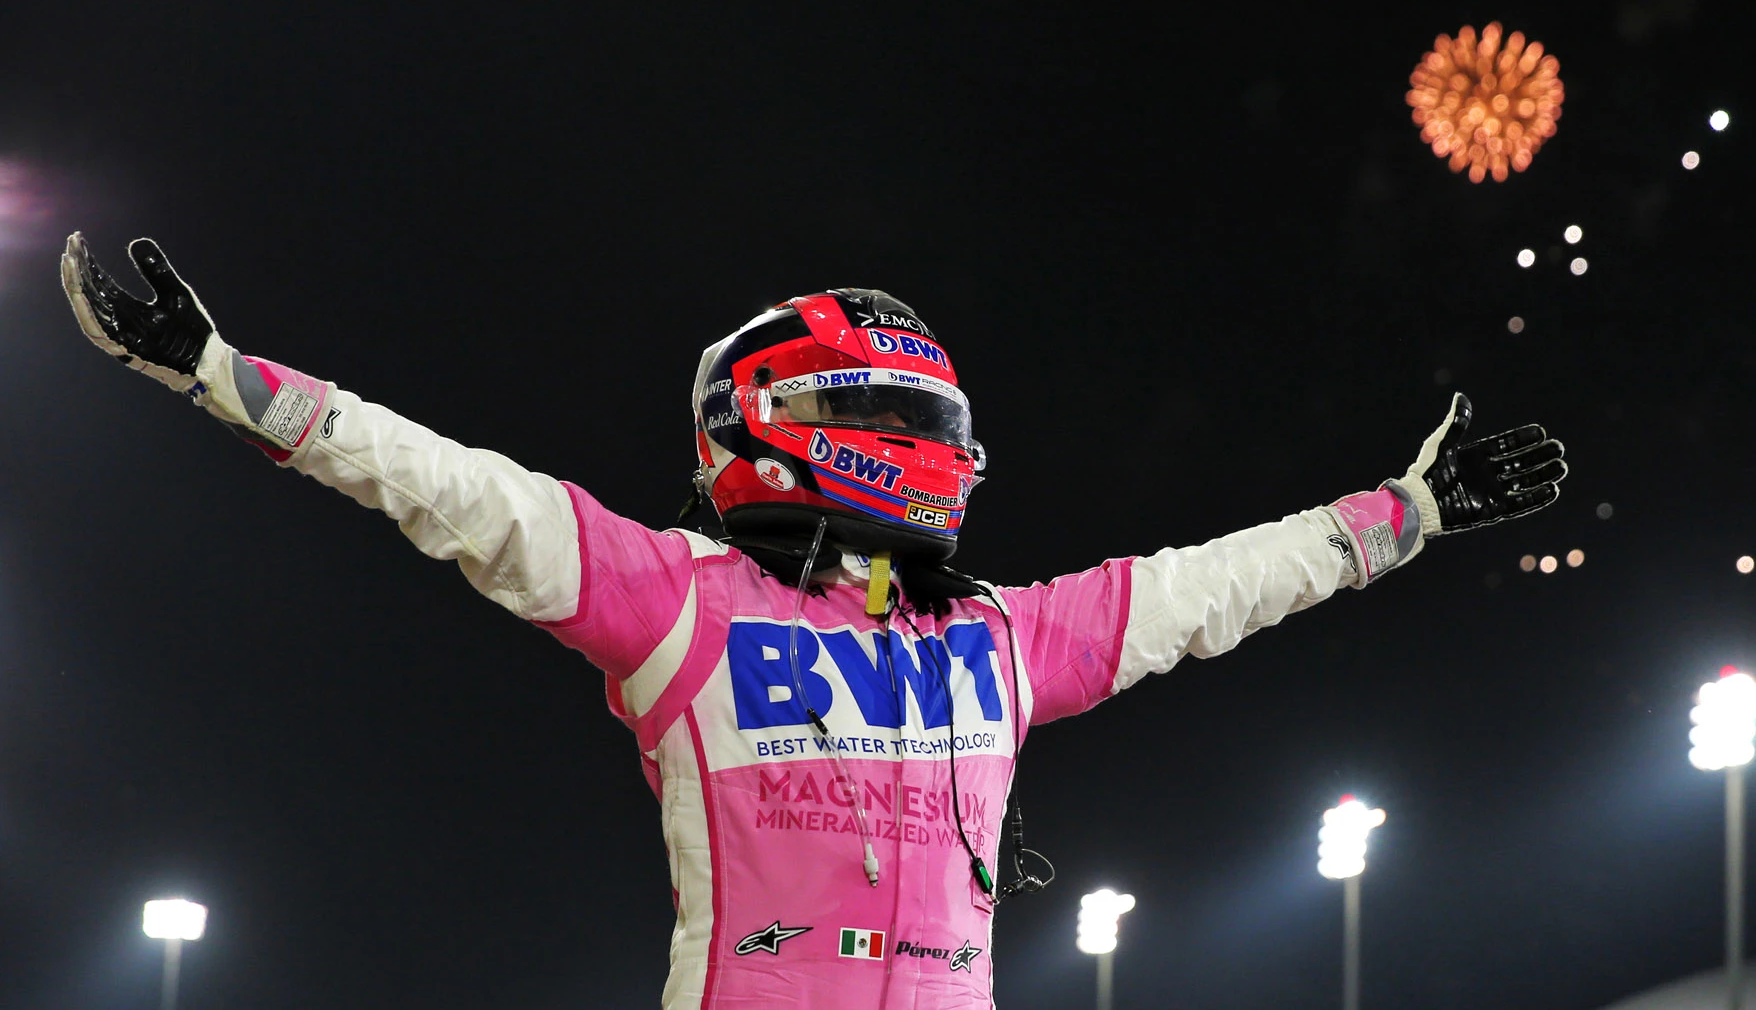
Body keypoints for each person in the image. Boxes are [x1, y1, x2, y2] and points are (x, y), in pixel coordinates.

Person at [61, 232, 1566, 1009]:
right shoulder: (679, 604)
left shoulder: (994, 639)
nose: (920, 437)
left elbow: (1212, 588)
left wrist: (1403, 517)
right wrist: (225, 374)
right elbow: (462, 493)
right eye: (886, 406)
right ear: (781, 425)